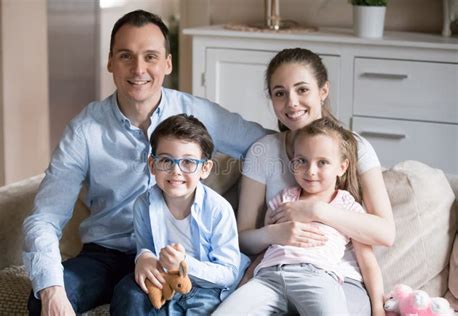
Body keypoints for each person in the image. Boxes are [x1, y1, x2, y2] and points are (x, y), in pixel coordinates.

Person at [22, 10, 267, 315]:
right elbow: (44, 217)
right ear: (110, 61)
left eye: (150, 56)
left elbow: (264, 145)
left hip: (170, 253)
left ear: (168, 63)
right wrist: (52, 291)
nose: (139, 69)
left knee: (135, 301)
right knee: (41, 298)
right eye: (126, 56)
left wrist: (259, 223)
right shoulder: (84, 129)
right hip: (105, 254)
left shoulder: (196, 114)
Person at [218, 48, 395, 315]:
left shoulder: (355, 147)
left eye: (302, 90)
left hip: (339, 277)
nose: (291, 102)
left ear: (323, 91)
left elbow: (385, 233)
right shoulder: (263, 151)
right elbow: (244, 239)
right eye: (280, 93)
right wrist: (274, 233)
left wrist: (314, 209)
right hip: (277, 272)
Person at [215, 117, 386, 315]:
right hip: (269, 276)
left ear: (342, 167)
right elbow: (268, 245)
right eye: (302, 161)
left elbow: (368, 262)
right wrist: (246, 279)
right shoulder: (284, 198)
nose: (310, 171)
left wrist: (378, 308)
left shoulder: (346, 206)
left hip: (317, 276)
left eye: (322, 162)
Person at [111, 114, 247, 315]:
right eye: (166, 160)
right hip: (165, 280)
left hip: (206, 286)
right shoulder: (144, 204)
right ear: (152, 165)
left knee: (202, 308)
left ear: (205, 168)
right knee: (127, 291)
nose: (176, 171)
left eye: (188, 162)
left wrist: (184, 264)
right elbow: (146, 246)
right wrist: (144, 257)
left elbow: (228, 272)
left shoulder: (218, 209)